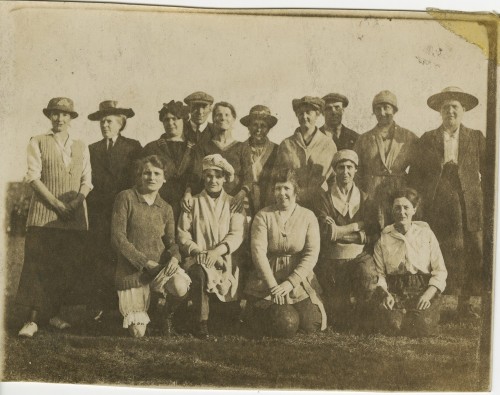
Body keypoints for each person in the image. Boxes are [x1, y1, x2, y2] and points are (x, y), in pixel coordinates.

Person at [17, 97, 93, 338]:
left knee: (65, 267)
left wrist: (76, 202)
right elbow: (32, 177)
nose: (60, 118)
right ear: (49, 116)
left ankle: (55, 315)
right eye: (55, 114)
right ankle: (32, 320)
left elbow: (86, 181)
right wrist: (57, 205)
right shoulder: (37, 141)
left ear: (71, 118)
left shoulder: (81, 145)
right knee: (38, 266)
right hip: (43, 216)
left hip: (74, 218)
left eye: (64, 114)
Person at [409, 87, 484, 319]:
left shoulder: (476, 137)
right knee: (439, 248)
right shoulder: (427, 139)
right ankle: (435, 301)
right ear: (440, 112)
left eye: (455, 107)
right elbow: (416, 175)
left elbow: (491, 172)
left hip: (467, 200)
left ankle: (465, 303)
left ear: (463, 111)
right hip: (437, 201)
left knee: (469, 248)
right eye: (446, 107)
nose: (450, 111)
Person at [111, 155, 191, 338]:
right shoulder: (126, 198)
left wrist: (174, 257)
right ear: (140, 176)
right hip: (133, 272)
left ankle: (164, 312)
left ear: (164, 178)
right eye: (147, 173)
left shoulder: (166, 208)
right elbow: (118, 239)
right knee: (138, 333)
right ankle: (149, 309)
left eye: (157, 173)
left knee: (179, 286)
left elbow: (171, 242)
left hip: (159, 270)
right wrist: (145, 262)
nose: (151, 177)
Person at [244, 168, 327, 337]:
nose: (282, 193)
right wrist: (273, 286)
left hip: (299, 280)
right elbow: (258, 253)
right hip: (268, 280)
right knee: (281, 323)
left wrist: (290, 283)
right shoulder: (263, 216)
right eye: (278, 188)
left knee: (312, 323)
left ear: (295, 191)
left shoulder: (308, 216)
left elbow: (311, 253)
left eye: (286, 188)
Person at [178, 154, 247, 339]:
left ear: (225, 178)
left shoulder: (234, 203)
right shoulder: (193, 202)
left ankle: (220, 312)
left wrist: (217, 251)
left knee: (226, 319)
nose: (213, 180)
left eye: (218, 176)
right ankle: (201, 322)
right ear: (203, 177)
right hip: (199, 258)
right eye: (209, 176)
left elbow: (237, 233)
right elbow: (183, 234)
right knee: (200, 273)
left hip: (225, 260)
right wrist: (197, 251)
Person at [87, 100, 142, 321]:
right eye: (102, 122)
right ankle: (101, 306)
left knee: (123, 254)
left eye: (109, 121)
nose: (105, 125)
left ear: (121, 123)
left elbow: (137, 178)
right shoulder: (92, 149)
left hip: (124, 209)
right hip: (99, 212)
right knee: (101, 255)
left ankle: (125, 304)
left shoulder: (133, 147)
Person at [314, 150, 379, 331]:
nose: (345, 172)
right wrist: (358, 226)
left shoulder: (365, 198)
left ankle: (363, 313)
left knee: (366, 276)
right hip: (332, 259)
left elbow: (373, 231)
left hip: (358, 256)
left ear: (356, 170)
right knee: (338, 316)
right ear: (334, 170)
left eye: (349, 167)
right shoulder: (325, 198)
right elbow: (325, 232)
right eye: (341, 167)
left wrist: (340, 232)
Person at [373, 188, 447, 337]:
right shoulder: (384, 238)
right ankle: (401, 316)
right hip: (395, 289)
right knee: (392, 325)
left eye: (406, 207)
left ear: (414, 209)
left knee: (422, 326)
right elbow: (379, 274)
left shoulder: (426, 234)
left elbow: (440, 270)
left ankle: (418, 317)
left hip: (423, 288)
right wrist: (386, 294)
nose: (402, 212)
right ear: (392, 210)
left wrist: (428, 294)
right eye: (397, 208)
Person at [353, 90, 418, 229]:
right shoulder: (363, 139)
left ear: (394, 110)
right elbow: (356, 172)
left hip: (399, 193)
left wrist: (409, 194)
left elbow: (418, 170)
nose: (382, 112)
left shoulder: (408, 137)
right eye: (378, 108)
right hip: (371, 194)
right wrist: (363, 195)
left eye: (386, 107)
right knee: (374, 230)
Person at [182, 101, 252, 214]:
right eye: (219, 115)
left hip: (234, 203)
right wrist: (188, 193)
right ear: (214, 119)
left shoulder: (242, 147)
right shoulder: (203, 146)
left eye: (227, 115)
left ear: (233, 119)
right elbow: (195, 175)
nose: (222, 118)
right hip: (208, 203)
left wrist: (240, 195)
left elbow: (249, 178)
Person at [273, 96, 337, 210]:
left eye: (308, 112)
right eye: (300, 113)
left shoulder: (328, 145)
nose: (304, 117)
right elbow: (277, 177)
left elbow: (334, 179)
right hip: (292, 204)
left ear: (317, 114)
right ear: (297, 115)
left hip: (321, 204)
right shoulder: (286, 144)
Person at [142, 100, 194, 222]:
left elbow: (197, 175)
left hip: (188, 205)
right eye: (166, 119)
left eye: (175, 118)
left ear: (184, 120)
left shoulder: (194, 149)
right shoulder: (151, 148)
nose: (170, 123)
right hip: (158, 205)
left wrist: (188, 191)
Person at [240, 105, 279, 215]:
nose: (258, 129)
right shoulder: (240, 148)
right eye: (255, 125)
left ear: (269, 128)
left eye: (263, 126)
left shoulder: (277, 149)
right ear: (248, 127)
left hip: (269, 199)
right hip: (245, 200)